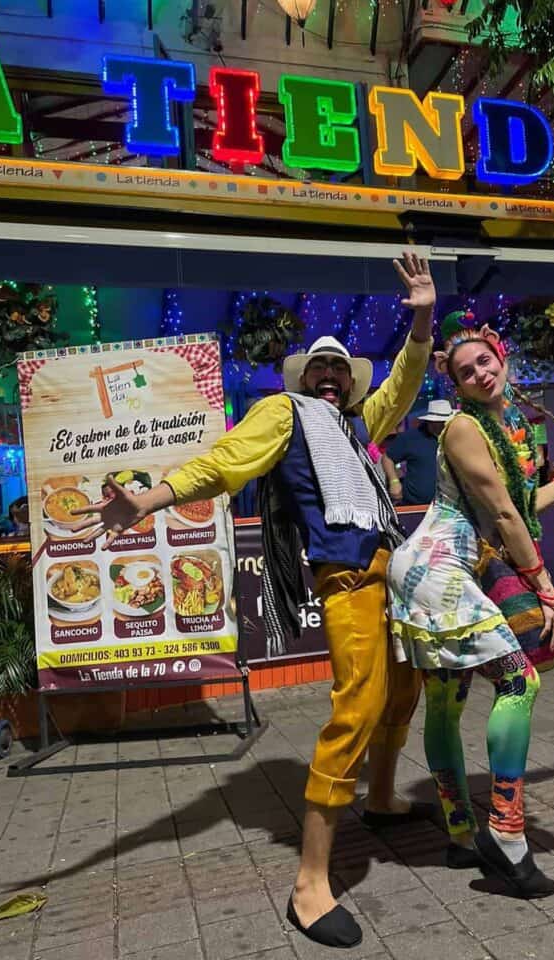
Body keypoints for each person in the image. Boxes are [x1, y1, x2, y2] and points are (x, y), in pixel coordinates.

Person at [75, 252, 437, 950]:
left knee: (403, 690)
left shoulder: (358, 425)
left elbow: (406, 381)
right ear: (302, 379)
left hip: (391, 574)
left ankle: (385, 798)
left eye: (339, 368)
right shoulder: (283, 412)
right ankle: (309, 885)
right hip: (348, 579)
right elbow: (224, 462)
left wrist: (422, 316)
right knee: (358, 708)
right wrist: (148, 500)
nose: (330, 374)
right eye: (319, 367)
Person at [387, 311, 554, 899]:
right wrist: (545, 589)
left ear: (501, 357)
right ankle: (504, 831)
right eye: (465, 370)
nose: (479, 373)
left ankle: (461, 834)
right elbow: (502, 514)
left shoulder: (503, 429)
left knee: (446, 705)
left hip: (438, 569)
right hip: (438, 570)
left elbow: (521, 505)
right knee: (519, 682)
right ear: (454, 383)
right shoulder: (461, 427)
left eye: (484, 360)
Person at [382, 399, 453, 505]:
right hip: (415, 505)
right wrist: (394, 482)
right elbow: (387, 458)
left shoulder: (456, 437)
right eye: (441, 422)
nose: (444, 425)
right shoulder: (411, 438)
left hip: (450, 505)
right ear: (431, 422)